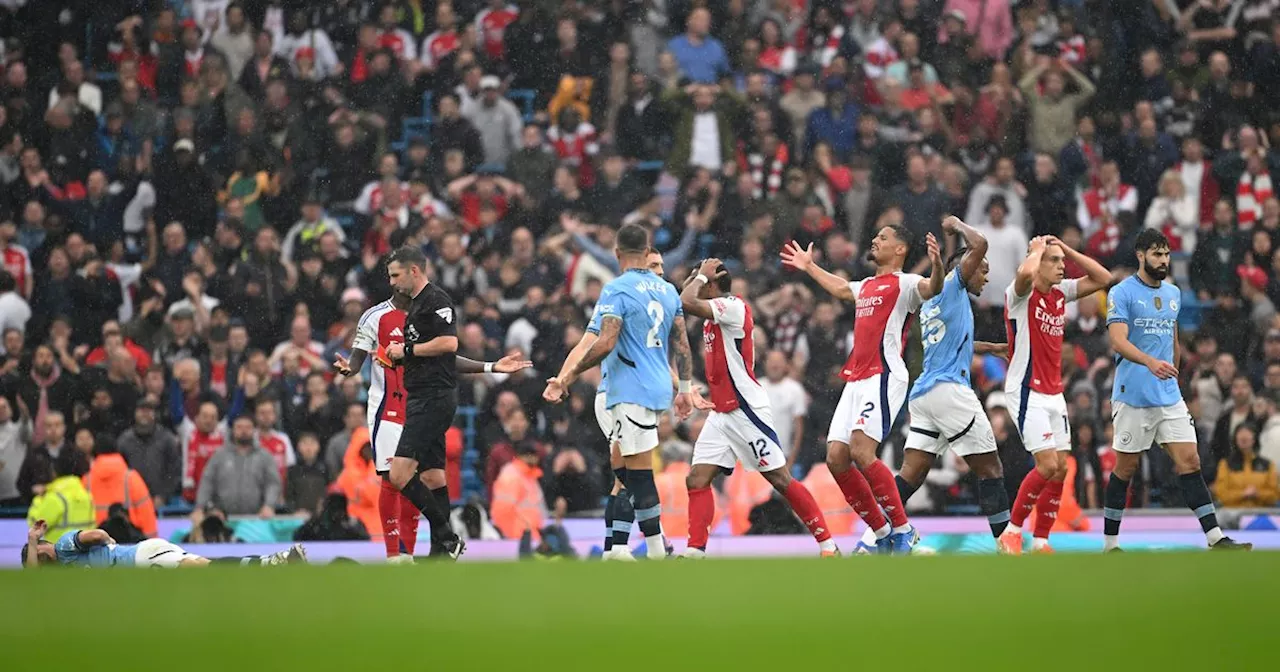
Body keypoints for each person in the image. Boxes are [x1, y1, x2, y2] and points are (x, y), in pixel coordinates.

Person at [334, 282, 530, 563]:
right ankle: (398, 555)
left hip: (421, 407)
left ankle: (421, 549)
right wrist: (349, 369)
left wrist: (490, 366)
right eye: (394, 275)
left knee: (423, 477)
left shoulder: (426, 316)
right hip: (388, 409)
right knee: (393, 479)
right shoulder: (374, 317)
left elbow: (445, 357)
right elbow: (356, 361)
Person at [781, 225, 944, 553]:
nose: (874, 240)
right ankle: (882, 532)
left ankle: (903, 530)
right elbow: (842, 289)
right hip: (856, 379)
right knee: (836, 458)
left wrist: (938, 264)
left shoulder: (906, 283)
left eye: (883, 238)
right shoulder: (868, 285)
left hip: (884, 376)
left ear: (900, 249)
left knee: (861, 450)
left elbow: (932, 288)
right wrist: (810, 266)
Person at [543, 224, 696, 560]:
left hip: (627, 390)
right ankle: (624, 548)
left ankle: (645, 549)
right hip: (648, 393)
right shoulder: (669, 291)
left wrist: (567, 377)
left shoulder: (616, 290)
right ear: (646, 252)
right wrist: (684, 388)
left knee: (632, 474)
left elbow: (600, 342)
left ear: (616, 254)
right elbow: (681, 344)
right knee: (629, 472)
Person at [677, 258, 839, 558]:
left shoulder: (732, 307)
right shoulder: (715, 312)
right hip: (721, 412)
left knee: (779, 479)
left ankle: (827, 544)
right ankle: (694, 551)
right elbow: (683, 299)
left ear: (712, 283)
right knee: (697, 478)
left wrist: (699, 276)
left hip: (745, 409)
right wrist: (697, 276)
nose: (694, 282)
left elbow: (686, 302)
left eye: (699, 279)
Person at [1103, 229, 1251, 551]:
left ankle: (1215, 539)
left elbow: (1172, 338)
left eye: (1167, 254)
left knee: (1191, 461)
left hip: (1167, 394)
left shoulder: (1173, 293)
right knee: (1125, 468)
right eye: (1157, 254)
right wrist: (1149, 363)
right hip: (1133, 394)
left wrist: (1174, 371)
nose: (1164, 260)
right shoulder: (1122, 292)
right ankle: (1110, 544)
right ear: (1141, 255)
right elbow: (1117, 340)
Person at [873, 217, 1013, 552]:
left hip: (923, 396)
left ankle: (872, 536)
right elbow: (979, 244)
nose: (986, 275)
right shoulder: (954, 283)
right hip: (950, 390)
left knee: (910, 475)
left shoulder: (935, 300)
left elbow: (952, 342)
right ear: (963, 268)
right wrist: (957, 224)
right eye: (981, 270)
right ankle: (1009, 545)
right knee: (991, 468)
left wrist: (992, 348)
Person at [999, 235, 1112, 554]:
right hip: (1025, 388)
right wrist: (1035, 251)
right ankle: (1011, 531)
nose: (1062, 266)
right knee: (1047, 465)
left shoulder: (1060, 293)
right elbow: (1023, 275)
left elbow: (1104, 278)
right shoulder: (1020, 294)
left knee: (1061, 467)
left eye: (1062, 261)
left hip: (1053, 391)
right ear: (1037, 263)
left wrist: (1067, 249)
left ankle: (1041, 541)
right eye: (1054, 261)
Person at [381, 246, 466, 560]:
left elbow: (448, 343)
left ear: (413, 270)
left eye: (395, 274)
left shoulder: (436, 300)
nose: (392, 282)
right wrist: (400, 360)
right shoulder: (417, 305)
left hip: (433, 398)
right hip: (423, 395)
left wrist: (407, 352)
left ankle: (447, 535)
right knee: (432, 476)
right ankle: (441, 554)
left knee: (399, 473)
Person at [22, 519, 307, 568]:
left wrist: (111, 546)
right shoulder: (61, 576)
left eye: (38, 550)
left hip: (140, 559)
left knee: (206, 569)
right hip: (142, 559)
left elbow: (96, 535)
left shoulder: (63, 547)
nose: (39, 556)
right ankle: (276, 560)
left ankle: (277, 561)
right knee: (207, 569)